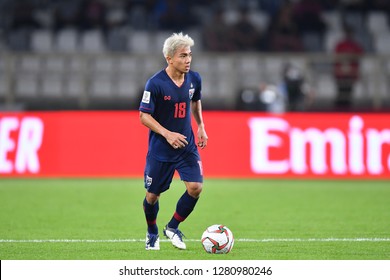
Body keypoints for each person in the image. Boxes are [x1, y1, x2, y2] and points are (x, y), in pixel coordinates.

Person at [139, 32, 208, 250]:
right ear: (169, 58)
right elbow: (143, 116)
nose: (188, 60)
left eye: (189, 55)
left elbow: (195, 102)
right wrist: (167, 134)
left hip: (186, 146)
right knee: (152, 196)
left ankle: (172, 227)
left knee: (196, 187)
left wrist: (201, 127)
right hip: (161, 149)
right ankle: (152, 232)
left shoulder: (194, 79)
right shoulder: (155, 83)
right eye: (182, 56)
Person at [333, 24, 364, 110]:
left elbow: (360, 55)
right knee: (341, 90)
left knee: (349, 91)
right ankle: (339, 107)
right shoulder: (340, 45)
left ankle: (346, 108)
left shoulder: (355, 45)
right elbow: (336, 56)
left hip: (351, 72)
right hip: (341, 72)